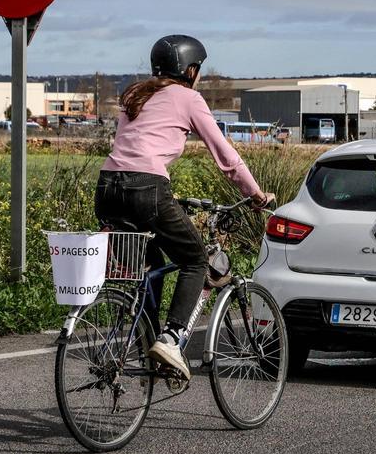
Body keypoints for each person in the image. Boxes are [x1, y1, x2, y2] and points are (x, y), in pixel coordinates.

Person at [97, 35, 274, 380]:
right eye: (199, 70)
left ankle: (144, 342)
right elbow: (226, 157)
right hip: (147, 188)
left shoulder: (135, 94)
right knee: (194, 259)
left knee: (148, 267)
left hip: (107, 188)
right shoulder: (189, 98)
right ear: (190, 69)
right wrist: (255, 194)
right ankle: (172, 338)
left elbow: (132, 149)